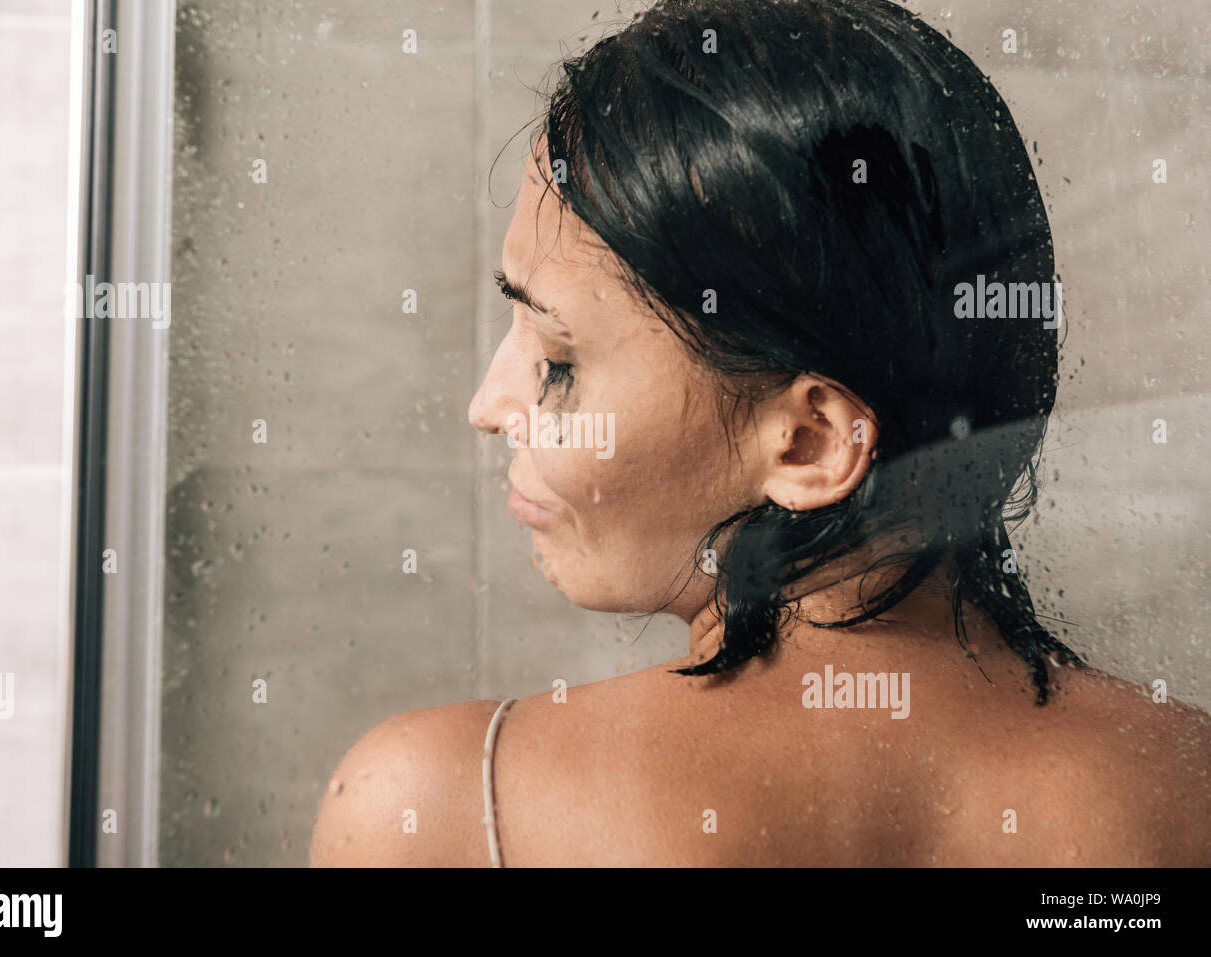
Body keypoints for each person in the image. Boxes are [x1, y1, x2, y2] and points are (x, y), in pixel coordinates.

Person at [310, 0, 1211, 866]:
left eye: (558, 362)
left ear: (811, 444)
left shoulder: (442, 808)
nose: (489, 404)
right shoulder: (1185, 787)